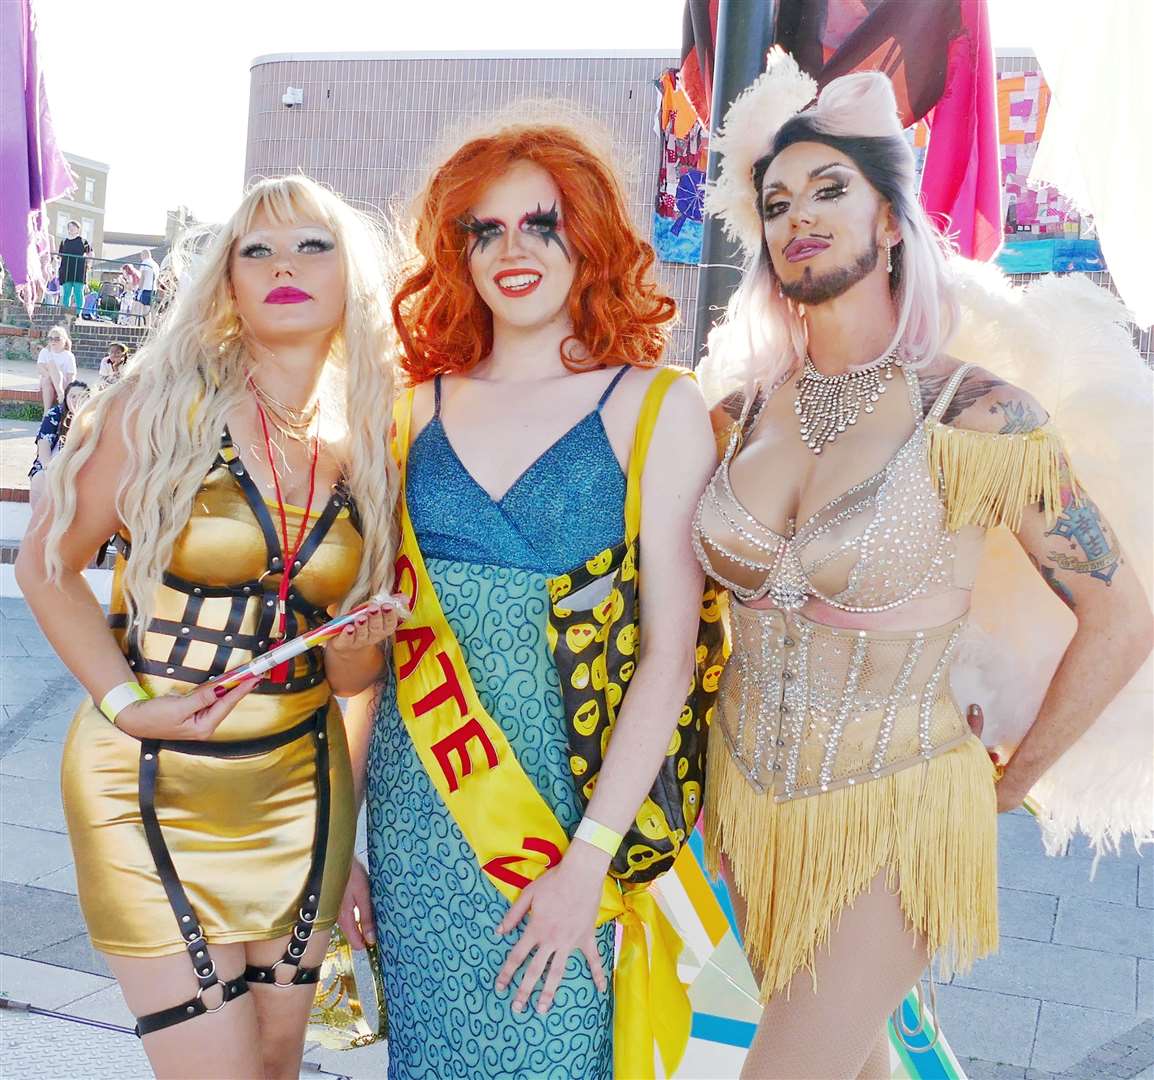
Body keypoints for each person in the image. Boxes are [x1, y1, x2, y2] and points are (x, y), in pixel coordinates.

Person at [693, 53, 1154, 1079]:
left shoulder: (976, 414)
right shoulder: (738, 415)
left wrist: (1007, 783)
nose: (798, 216)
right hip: (750, 814)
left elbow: (1121, 617)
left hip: (897, 815)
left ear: (889, 220)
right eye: (775, 202)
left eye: (829, 189)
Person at [341, 117, 715, 1079]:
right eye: (485, 229)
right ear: (454, 253)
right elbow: (371, 661)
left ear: (587, 237)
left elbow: (672, 656)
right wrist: (344, 840)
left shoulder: (655, 406)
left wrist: (587, 860)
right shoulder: (409, 408)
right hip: (423, 813)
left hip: (564, 825)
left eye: (541, 224)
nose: (513, 251)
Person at [15, 175, 400, 1080]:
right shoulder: (161, 407)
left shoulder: (374, 442)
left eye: (314, 246)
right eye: (255, 250)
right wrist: (121, 701)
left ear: (355, 277)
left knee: (273, 1069)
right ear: (225, 281)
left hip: (304, 793)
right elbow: (47, 563)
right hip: (147, 784)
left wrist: (344, 840)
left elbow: (357, 685)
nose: (284, 267)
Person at [28, 379, 89, 507]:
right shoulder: (55, 414)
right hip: (52, 463)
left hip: (79, 467)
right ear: (65, 398)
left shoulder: (92, 419)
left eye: (81, 396)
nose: (76, 400)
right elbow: (43, 444)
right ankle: (40, 522)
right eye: (72, 396)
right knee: (40, 477)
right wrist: (48, 467)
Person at [35, 325, 77, 411]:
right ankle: (46, 412)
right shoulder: (45, 352)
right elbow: (40, 368)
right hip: (47, 383)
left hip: (64, 384)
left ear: (64, 340)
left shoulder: (69, 355)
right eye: (51, 338)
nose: (53, 341)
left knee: (51, 365)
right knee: (47, 375)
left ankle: (61, 394)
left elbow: (71, 376)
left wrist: (69, 391)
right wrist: (51, 376)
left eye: (57, 338)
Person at [58, 220, 92, 310]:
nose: (71, 229)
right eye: (69, 227)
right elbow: (60, 256)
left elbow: (90, 254)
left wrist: (88, 264)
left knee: (78, 293)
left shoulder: (83, 241)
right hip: (66, 270)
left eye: (73, 227)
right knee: (66, 293)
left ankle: (78, 313)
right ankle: (66, 313)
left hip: (79, 271)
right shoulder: (64, 241)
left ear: (78, 229)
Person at [137, 248, 161, 321]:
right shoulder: (156, 264)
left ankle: (146, 325)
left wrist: (139, 289)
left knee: (145, 307)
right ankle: (149, 324)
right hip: (153, 288)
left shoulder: (145, 263)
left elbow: (143, 276)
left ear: (144, 255)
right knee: (150, 308)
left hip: (146, 288)